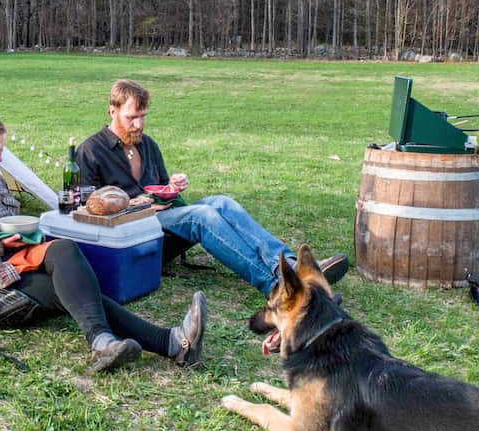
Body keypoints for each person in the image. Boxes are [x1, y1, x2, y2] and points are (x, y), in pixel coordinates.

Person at [0, 110, 207, 372]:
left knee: (66, 254)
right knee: (76, 292)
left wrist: (26, 235)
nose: (1, 158)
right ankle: (165, 343)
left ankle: (119, 342)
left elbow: (10, 224)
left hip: (15, 266)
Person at [76, 80, 349, 297]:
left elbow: (160, 187)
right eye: (131, 117)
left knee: (222, 202)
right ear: (112, 111)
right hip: (133, 234)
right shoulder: (91, 151)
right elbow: (87, 211)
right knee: (201, 217)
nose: (139, 125)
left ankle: (292, 265)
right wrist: (137, 203)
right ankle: (276, 285)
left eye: (143, 116)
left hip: (164, 223)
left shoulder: (147, 144)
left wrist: (172, 186)